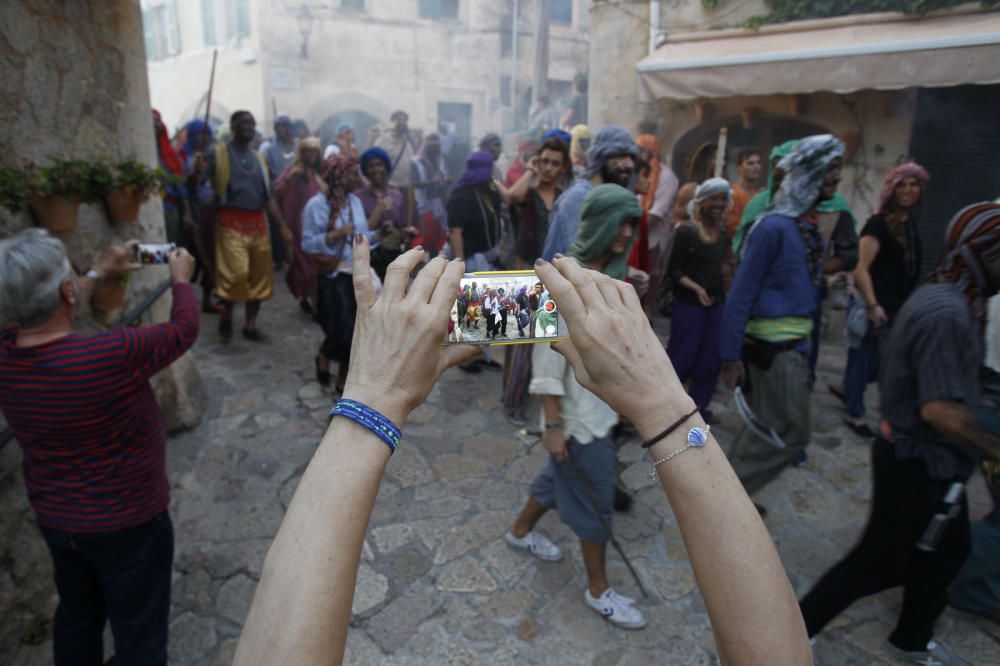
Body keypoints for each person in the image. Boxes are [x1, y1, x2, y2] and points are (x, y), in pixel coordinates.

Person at [799, 202, 1000, 666]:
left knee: (948, 552)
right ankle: (796, 628)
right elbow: (939, 409)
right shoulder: (946, 310)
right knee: (876, 563)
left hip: (936, 460)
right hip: (914, 461)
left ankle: (911, 637)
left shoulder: (951, 298)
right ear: (986, 252)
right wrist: (993, 449)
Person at [0, 230, 198, 666]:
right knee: (139, 632)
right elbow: (183, 329)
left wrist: (97, 271)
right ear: (67, 291)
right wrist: (180, 279)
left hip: (58, 521)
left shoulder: (7, 359)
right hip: (130, 522)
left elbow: (47, 310)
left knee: (77, 616)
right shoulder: (112, 353)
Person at [505, 183, 651, 629]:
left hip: (596, 413)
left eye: (632, 223)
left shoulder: (608, 277)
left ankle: (518, 533)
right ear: (598, 222)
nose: (626, 232)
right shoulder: (565, 282)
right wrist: (551, 423)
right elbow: (548, 355)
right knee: (597, 507)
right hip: (576, 418)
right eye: (619, 221)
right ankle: (598, 591)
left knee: (556, 481)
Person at [720, 134, 844, 513]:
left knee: (765, 426)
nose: (836, 179)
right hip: (775, 350)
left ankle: (726, 493)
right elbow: (741, 293)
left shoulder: (804, 228)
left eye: (838, 170)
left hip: (796, 345)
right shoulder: (771, 227)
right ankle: (726, 501)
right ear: (808, 174)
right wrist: (729, 355)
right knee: (792, 432)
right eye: (829, 171)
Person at [833, 163, 930, 436]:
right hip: (872, 305)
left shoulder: (910, 224)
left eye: (913, 184)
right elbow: (861, 267)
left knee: (878, 363)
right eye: (902, 184)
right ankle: (855, 412)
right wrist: (873, 305)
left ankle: (850, 390)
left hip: (896, 307)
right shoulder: (878, 223)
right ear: (892, 190)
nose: (908, 190)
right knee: (863, 359)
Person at [198, 110, 275, 343]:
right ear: (233, 127)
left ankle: (250, 326)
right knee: (236, 275)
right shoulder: (217, 153)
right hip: (230, 222)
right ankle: (227, 317)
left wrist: (282, 227)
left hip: (257, 223)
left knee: (259, 278)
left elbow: (267, 195)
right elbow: (200, 185)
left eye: (252, 123)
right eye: (244, 123)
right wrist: (196, 174)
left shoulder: (259, 159)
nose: (249, 127)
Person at [301, 155, 373, 392]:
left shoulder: (354, 202)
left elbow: (364, 237)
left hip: (356, 272)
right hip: (333, 275)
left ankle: (343, 379)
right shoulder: (316, 206)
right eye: (353, 174)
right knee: (341, 330)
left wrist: (382, 234)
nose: (358, 179)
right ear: (339, 176)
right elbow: (308, 243)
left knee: (355, 331)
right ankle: (324, 355)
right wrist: (336, 234)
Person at [666, 178, 731, 421]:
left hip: (716, 305)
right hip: (689, 306)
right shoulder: (686, 233)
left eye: (723, 199)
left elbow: (722, 265)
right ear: (701, 202)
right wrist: (697, 289)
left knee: (710, 359)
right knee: (682, 357)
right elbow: (674, 271)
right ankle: (668, 407)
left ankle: (698, 409)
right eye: (713, 199)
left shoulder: (724, 234)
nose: (718, 204)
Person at [541, 125, 637, 262]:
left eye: (631, 157)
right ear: (601, 158)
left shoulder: (607, 198)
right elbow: (583, 261)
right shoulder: (579, 198)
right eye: (621, 156)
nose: (629, 164)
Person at [268, 136, 326, 315]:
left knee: (317, 267)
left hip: (318, 227)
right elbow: (274, 193)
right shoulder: (292, 171)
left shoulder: (320, 173)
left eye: (315, 150)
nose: (312, 154)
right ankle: (314, 305)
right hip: (297, 226)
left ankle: (312, 301)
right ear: (301, 153)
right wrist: (290, 177)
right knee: (304, 267)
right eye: (308, 150)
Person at [180, 118, 223, 314]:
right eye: (199, 135)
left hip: (212, 210)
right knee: (192, 256)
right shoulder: (182, 157)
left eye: (206, 135)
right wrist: (192, 175)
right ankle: (183, 300)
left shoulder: (214, 155)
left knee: (212, 255)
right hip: (194, 211)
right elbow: (183, 189)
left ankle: (207, 298)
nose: (202, 139)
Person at [507, 138, 569, 268]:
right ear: (538, 162)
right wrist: (530, 170)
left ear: (563, 168)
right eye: (544, 161)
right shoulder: (528, 194)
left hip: (554, 268)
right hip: (525, 267)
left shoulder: (563, 197)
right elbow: (513, 195)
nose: (548, 168)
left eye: (555, 164)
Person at [356, 146, 411, 280]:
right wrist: (379, 209)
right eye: (370, 166)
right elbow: (358, 232)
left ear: (386, 167)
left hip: (394, 257)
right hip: (369, 261)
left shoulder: (396, 195)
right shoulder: (358, 198)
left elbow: (403, 226)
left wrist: (406, 233)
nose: (376, 170)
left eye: (379, 165)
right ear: (365, 171)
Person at [446, 151, 503, 271]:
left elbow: (509, 199)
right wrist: (460, 267)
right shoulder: (462, 195)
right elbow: (455, 232)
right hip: (471, 261)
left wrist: (495, 182)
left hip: (490, 257)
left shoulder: (488, 191)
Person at [260, 113, 298, 268]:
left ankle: (297, 254)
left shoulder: (298, 145)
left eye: (284, 125)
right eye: (278, 126)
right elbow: (266, 171)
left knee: (296, 223)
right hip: (276, 193)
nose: (282, 129)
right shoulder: (269, 149)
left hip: (296, 193)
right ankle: (279, 258)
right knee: (277, 225)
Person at [410, 133, 451, 256]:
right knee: (424, 239)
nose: (434, 146)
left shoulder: (441, 160)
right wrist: (432, 182)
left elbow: (446, 175)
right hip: (423, 206)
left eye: (436, 143)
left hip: (440, 206)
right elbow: (415, 182)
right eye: (431, 142)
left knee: (438, 240)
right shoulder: (416, 162)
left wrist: (446, 180)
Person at [153, 109, 190, 246]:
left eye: (157, 121)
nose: (155, 124)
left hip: (169, 208)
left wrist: (186, 213)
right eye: (152, 120)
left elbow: (180, 186)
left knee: (170, 247)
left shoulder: (171, 156)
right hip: (146, 208)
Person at [373, 110, 419, 191]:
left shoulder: (409, 141)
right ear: (392, 122)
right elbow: (374, 161)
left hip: (407, 187)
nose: (402, 122)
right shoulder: (383, 140)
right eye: (398, 119)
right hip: (390, 186)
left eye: (404, 120)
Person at [725, 149, 762, 238]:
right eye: (750, 163)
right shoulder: (733, 193)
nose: (756, 166)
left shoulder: (757, 194)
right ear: (739, 168)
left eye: (758, 162)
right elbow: (732, 228)